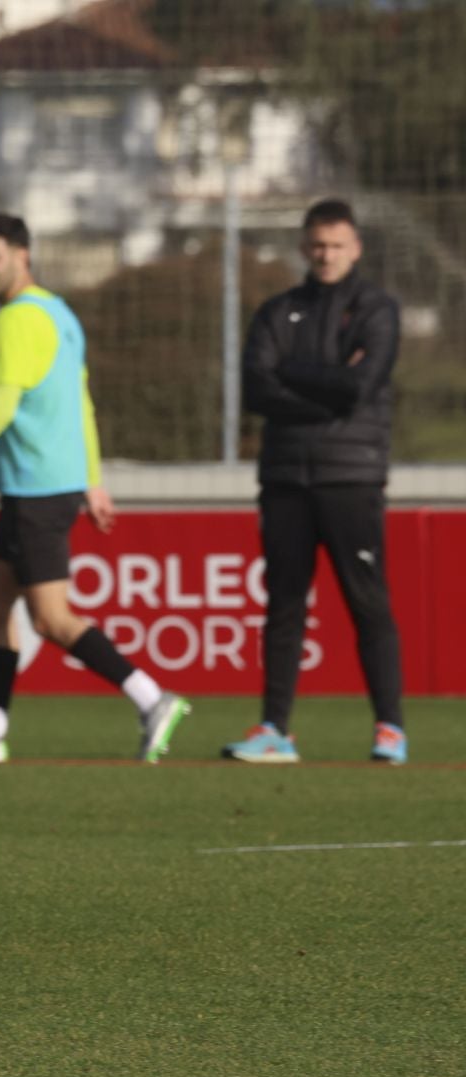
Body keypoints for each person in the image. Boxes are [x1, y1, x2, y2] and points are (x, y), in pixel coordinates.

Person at [0, 213, 190, 764]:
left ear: (22, 255)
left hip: (38, 488)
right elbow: (81, 402)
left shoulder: (17, 320)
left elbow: (2, 405)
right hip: (43, 487)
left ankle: (151, 698)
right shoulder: (60, 314)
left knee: (51, 619)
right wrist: (94, 481)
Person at [226, 199, 406, 765]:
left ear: (355, 249)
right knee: (283, 603)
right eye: (318, 245)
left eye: (337, 245)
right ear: (305, 248)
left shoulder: (376, 309)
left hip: (351, 476)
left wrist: (292, 375)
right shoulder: (279, 310)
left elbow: (361, 387)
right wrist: (328, 383)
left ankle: (390, 729)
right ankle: (275, 729)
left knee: (366, 602)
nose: (326, 255)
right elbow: (255, 389)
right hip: (284, 477)